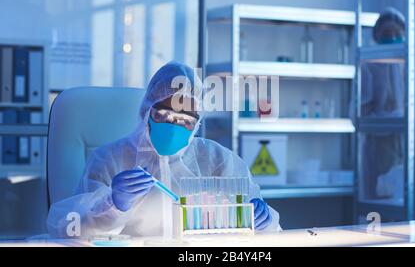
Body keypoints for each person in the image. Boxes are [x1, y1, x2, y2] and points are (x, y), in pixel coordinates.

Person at [47, 62, 280, 238]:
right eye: (164, 115)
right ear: (146, 111)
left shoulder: (220, 161)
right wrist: (113, 203)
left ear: (197, 123)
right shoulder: (108, 160)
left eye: (185, 120)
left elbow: (271, 234)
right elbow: (67, 228)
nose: (173, 126)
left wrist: (264, 221)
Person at [360, 8, 415, 201]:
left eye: (397, 33)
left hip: (411, 152)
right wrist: (391, 120)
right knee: (380, 208)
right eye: (386, 33)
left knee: (409, 204)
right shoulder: (369, 68)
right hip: (378, 154)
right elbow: (358, 116)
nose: (392, 37)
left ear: (405, 35)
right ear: (376, 35)